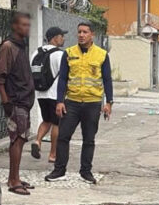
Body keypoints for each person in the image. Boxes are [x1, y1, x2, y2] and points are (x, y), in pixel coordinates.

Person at [45, 22, 113, 185]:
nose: (81, 35)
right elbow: (62, 79)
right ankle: (59, 170)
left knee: (89, 139)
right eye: (79, 32)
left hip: (92, 103)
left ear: (92, 35)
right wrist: (60, 101)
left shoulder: (102, 55)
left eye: (85, 32)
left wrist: (109, 102)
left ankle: (86, 172)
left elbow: (107, 80)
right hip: (72, 103)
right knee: (63, 137)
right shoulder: (69, 53)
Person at [0, 12, 36, 195]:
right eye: (23, 25)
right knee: (16, 139)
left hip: (24, 100)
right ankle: (13, 181)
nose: (26, 28)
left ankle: (14, 177)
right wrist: (6, 101)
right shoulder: (8, 46)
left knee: (22, 138)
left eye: (28, 25)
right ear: (15, 26)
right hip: (15, 100)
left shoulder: (21, 45)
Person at [31, 26, 67, 164]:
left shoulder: (36, 52)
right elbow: (64, 76)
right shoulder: (60, 54)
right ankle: (53, 154)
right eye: (61, 36)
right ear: (55, 38)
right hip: (55, 95)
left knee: (46, 120)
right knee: (57, 123)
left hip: (41, 94)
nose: (63, 39)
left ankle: (37, 141)